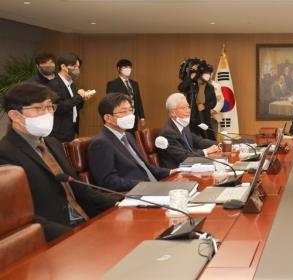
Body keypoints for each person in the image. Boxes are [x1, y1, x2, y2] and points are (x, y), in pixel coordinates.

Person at [0, 82, 116, 241]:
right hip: (55, 236)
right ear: (15, 115)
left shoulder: (52, 143)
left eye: (49, 107)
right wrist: (72, 236)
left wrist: (119, 203)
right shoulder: (5, 154)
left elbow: (79, 188)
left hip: (86, 221)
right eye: (39, 108)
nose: (47, 113)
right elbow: (22, 216)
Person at [88, 93, 172, 192]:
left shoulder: (128, 135)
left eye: (131, 110)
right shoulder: (101, 143)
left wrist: (172, 172)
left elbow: (145, 167)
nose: (130, 115)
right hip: (136, 194)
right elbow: (108, 181)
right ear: (108, 118)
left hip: (154, 187)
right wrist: (145, 185)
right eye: (124, 111)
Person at [157, 93, 220, 169]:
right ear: (173, 113)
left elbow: (199, 141)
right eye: (183, 108)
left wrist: (219, 144)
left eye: (188, 107)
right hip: (178, 172)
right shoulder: (168, 133)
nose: (188, 111)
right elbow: (184, 157)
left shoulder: (183, 126)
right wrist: (206, 151)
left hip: (190, 165)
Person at [47, 53, 94, 142]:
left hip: (70, 128)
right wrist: (79, 96)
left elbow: (75, 106)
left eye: (78, 67)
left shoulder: (71, 83)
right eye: (74, 66)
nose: (77, 69)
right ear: (63, 66)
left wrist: (83, 99)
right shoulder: (54, 84)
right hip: (58, 131)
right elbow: (59, 107)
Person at [177, 59, 217, 140]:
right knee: (193, 138)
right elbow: (181, 88)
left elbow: (213, 102)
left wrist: (205, 106)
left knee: (208, 137)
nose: (208, 75)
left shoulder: (210, 87)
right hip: (192, 116)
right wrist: (190, 78)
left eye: (209, 74)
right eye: (206, 73)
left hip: (205, 116)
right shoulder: (192, 84)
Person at [105, 59, 145, 132]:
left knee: (133, 137)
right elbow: (110, 103)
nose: (128, 69)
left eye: (129, 68)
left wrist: (142, 117)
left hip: (133, 116)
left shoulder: (134, 84)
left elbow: (138, 100)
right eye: (125, 68)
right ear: (118, 69)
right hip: (121, 117)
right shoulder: (112, 84)